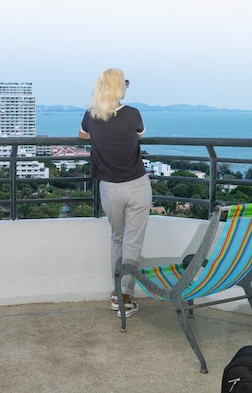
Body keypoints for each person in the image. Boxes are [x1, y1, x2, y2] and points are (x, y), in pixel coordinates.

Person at [79, 68, 152, 318]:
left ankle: (116, 294)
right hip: (137, 185)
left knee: (117, 238)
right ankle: (125, 295)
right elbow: (140, 134)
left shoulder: (92, 115)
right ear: (120, 88)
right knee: (132, 242)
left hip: (109, 188)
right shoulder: (133, 114)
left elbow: (83, 134)